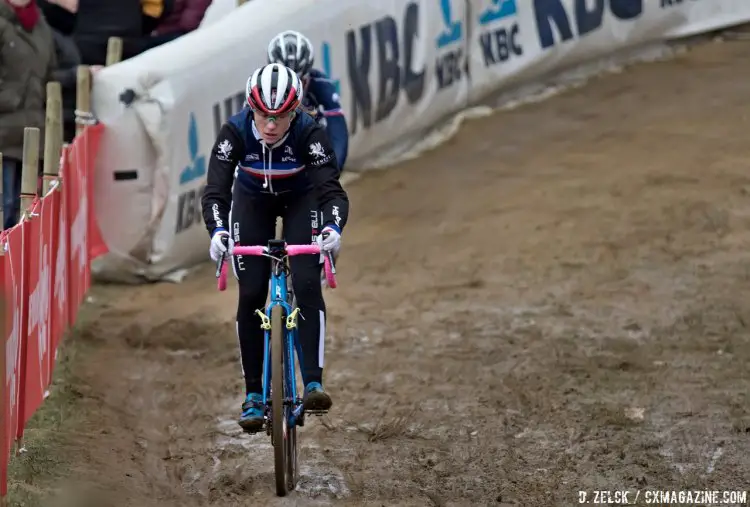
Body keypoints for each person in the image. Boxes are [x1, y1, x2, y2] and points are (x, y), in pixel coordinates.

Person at [201, 63, 350, 433]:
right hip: (251, 202)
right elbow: (216, 192)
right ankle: (253, 394)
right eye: (263, 115)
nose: (270, 125)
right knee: (251, 291)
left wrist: (332, 227)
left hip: (301, 200)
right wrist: (218, 231)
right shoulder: (233, 132)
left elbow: (331, 191)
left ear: (295, 111)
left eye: (281, 116)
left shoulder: (310, 133)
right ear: (250, 108)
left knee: (306, 280)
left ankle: (313, 382)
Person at [0, 0, 57, 229]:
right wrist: (10, 97)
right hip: (3, 131)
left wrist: (77, 75)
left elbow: (50, 73)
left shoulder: (39, 23)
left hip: (31, 135)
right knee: (4, 207)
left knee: (21, 214)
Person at [267, 30, 348, 174]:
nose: (294, 90)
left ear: (308, 76)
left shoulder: (320, 84)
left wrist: (333, 170)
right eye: (287, 84)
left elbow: (338, 128)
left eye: (300, 82)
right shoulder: (261, 91)